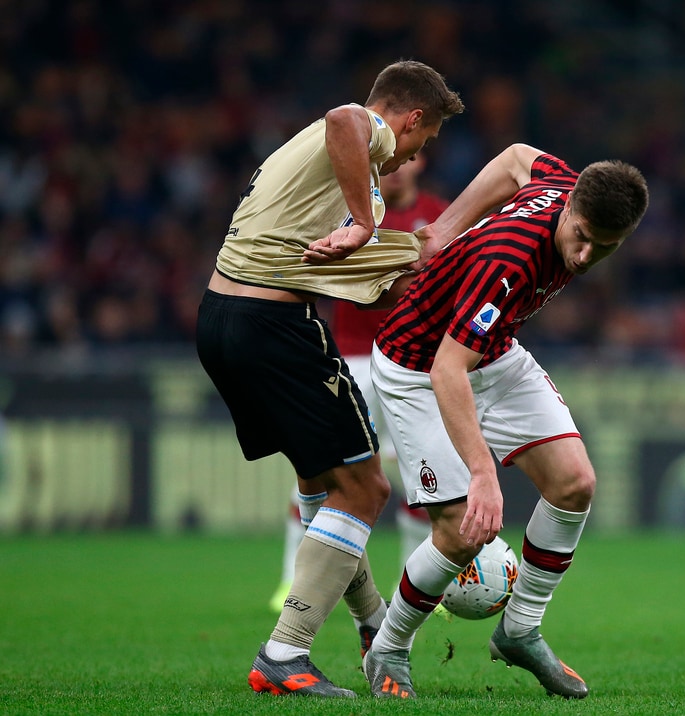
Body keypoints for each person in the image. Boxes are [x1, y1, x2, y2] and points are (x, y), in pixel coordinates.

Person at [196, 59, 464, 698]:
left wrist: (410, 266)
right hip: (272, 325)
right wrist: (369, 225)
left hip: (222, 318)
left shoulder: (328, 171)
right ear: (411, 118)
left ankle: (373, 624)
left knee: (323, 484)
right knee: (367, 488)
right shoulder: (361, 135)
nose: (411, 158)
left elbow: (358, 282)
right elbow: (347, 117)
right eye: (421, 142)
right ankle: (285, 653)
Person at [356, 143, 649, 700]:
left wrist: (444, 227)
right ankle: (389, 648)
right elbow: (447, 370)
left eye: (605, 247)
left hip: (490, 352)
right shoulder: (509, 262)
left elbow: (516, 158)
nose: (585, 256)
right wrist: (482, 471)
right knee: (460, 529)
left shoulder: (566, 183)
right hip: (417, 366)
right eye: (582, 236)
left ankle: (520, 630)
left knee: (575, 484)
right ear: (569, 208)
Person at [268, 153, 449, 613]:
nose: (397, 168)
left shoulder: (439, 216)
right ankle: (292, 580)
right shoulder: (351, 211)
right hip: (349, 359)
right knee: (319, 472)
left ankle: (420, 586)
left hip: (412, 361)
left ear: (420, 161)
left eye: (407, 159)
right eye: (389, 161)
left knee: (423, 479)